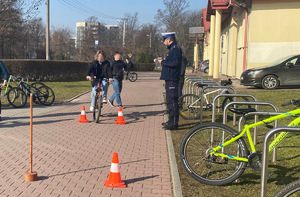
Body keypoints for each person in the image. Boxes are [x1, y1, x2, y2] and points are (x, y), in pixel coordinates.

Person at [158, 32, 182, 130]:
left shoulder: (175, 49)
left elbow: (175, 63)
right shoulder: (172, 49)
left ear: (169, 39)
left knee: (172, 100)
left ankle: (174, 123)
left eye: (164, 40)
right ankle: (171, 120)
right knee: (170, 100)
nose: (164, 42)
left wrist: (163, 62)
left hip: (172, 78)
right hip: (170, 78)